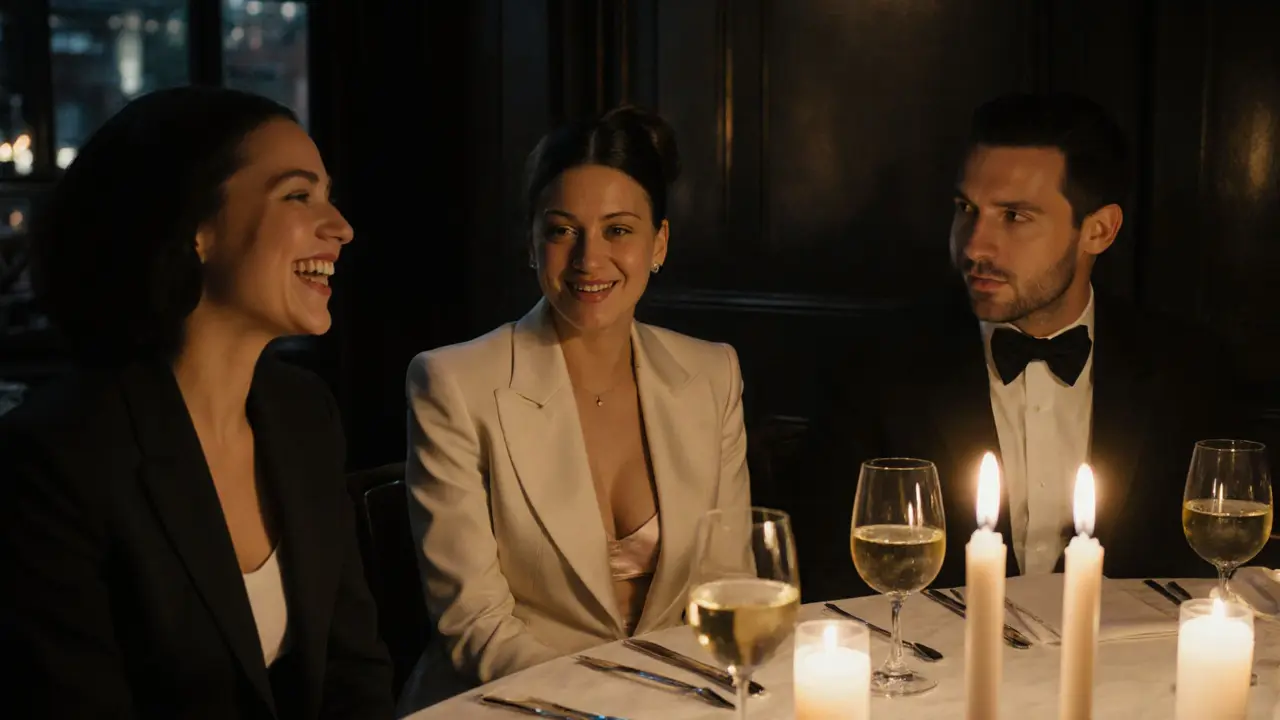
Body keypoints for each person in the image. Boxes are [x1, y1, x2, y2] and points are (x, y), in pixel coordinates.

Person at [0, 87, 394, 718]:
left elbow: (354, 670)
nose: (341, 227)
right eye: (299, 195)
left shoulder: (303, 414)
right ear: (195, 230)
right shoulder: (56, 459)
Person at [790, 92, 1248, 602]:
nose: (974, 246)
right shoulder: (874, 367)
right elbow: (829, 581)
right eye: (966, 208)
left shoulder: (1191, 369)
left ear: (1098, 230)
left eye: (1015, 216)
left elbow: (1213, 578)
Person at [399, 106, 751, 709]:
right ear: (531, 244)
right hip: (506, 703)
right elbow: (476, 625)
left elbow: (729, 585)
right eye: (563, 230)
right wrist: (611, 705)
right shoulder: (453, 383)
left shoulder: (712, 373)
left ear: (658, 243)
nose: (589, 259)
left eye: (618, 230)